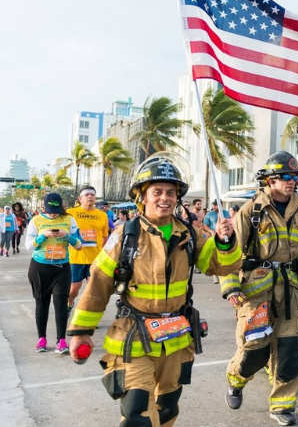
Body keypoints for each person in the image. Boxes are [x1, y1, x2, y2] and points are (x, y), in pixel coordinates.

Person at [67, 154, 241, 427]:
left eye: (170, 192)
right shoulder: (125, 235)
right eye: (156, 191)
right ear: (142, 197)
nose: (164, 198)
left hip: (175, 340)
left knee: (168, 409)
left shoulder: (189, 235)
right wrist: (79, 331)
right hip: (133, 339)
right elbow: (98, 282)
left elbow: (219, 267)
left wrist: (225, 241)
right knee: (137, 414)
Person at [221, 151, 298, 426]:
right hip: (257, 290)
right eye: (286, 177)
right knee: (254, 351)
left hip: (290, 289)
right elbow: (231, 253)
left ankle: (282, 407)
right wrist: (231, 286)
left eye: (295, 177)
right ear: (270, 180)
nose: (292, 182)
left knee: (289, 351)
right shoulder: (251, 210)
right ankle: (235, 379)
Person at [25, 193, 83, 354]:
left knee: (60, 304)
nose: (53, 214)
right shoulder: (36, 221)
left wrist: (67, 236)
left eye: (56, 210)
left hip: (61, 268)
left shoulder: (69, 219)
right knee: (42, 303)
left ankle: (61, 341)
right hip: (39, 268)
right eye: (50, 210)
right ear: (43, 207)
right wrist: (43, 236)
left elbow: (79, 245)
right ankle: (41, 339)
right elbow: (29, 246)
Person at [66, 186, 111, 312]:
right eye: (87, 195)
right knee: (73, 289)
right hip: (76, 258)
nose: (90, 197)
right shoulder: (71, 213)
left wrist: (103, 254)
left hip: (95, 259)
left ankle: (88, 314)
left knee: (94, 290)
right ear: (80, 198)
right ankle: (69, 304)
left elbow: (104, 236)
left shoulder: (102, 215)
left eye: (92, 194)